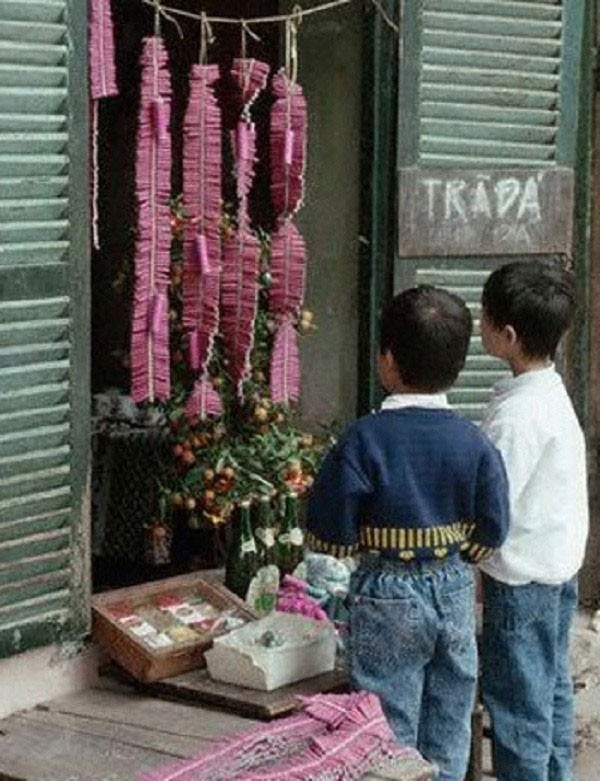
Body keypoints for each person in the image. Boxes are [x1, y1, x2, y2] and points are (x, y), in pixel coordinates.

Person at [306, 285, 510, 781]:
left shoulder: (363, 438)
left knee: (386, 716)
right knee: (450, 711)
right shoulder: (473, 441)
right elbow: (495, 523)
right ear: (459, 366)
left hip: (386, 593)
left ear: (388, 361)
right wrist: (465, 553)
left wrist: (348, 548)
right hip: (455, 585)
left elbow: (330, 527)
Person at [479, 259, 589, 781]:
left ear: (507, 335)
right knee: (550, 689)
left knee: (518, 705)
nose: (478, 324)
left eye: (484, 317)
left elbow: (494, 503)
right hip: (556, 565)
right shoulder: (546, 389)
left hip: (522, 580)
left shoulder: (518, 418)